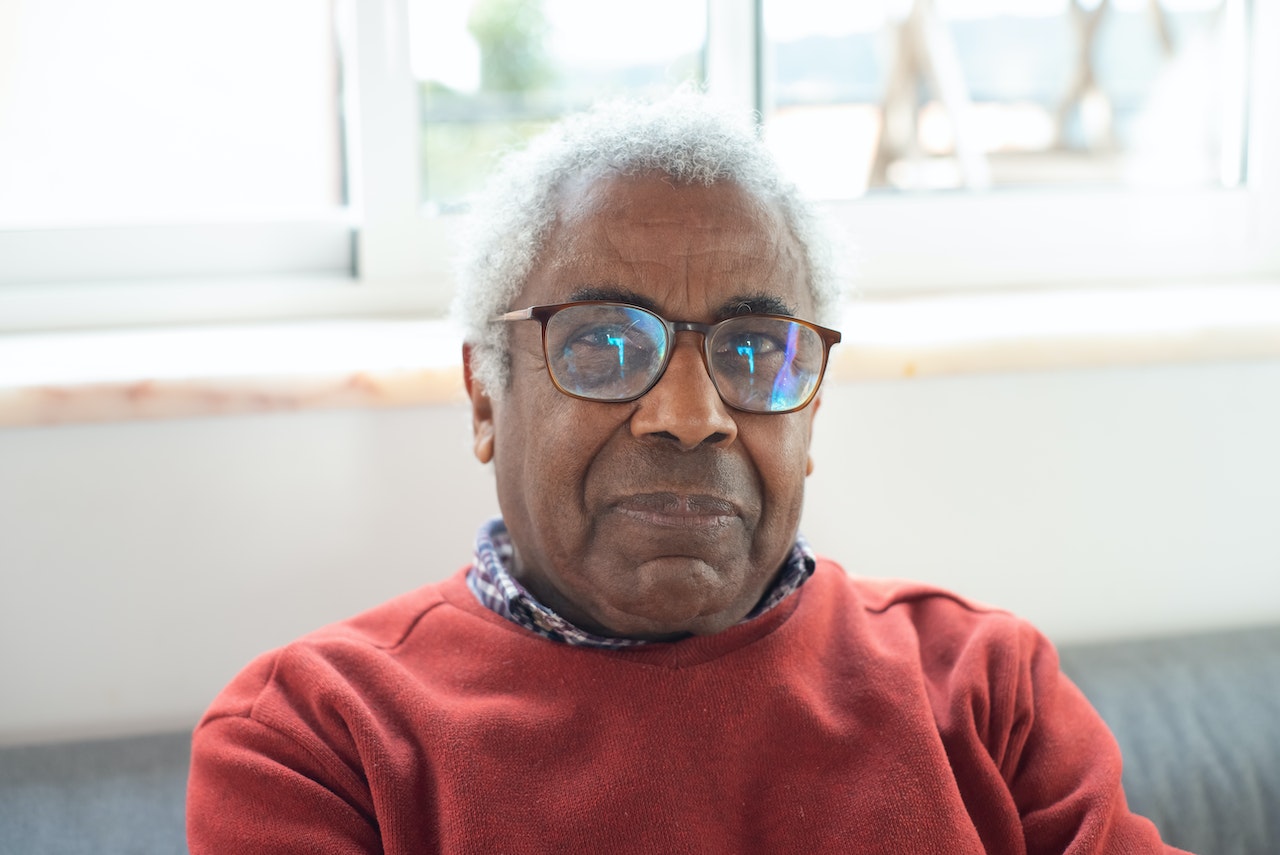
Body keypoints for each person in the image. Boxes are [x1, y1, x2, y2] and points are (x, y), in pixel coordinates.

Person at [186, 94, 1187, 854]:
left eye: (755, 351)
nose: (689, 416)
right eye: (602, 344)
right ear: (485, 396)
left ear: (811, 407)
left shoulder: (985, 688)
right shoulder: (316, 738)